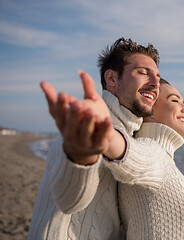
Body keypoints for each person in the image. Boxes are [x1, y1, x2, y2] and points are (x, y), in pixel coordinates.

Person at [28, 37, 162, 239]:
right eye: (143, 73)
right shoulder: (84, 126)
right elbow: (69, 201)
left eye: (158, 78)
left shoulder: (132, 136)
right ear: (112, 79)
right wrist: (81, 157)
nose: (154, 84)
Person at [117, 79, 184, 239]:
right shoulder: (153, 153)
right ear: (149, 111)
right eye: (174, 100)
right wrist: (105, 137)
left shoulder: (162, 158)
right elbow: (131, 157)